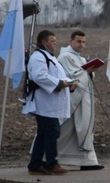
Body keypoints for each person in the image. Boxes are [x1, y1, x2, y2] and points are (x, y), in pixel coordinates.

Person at [23, 30, 76, 175]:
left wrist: (70, 83)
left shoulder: (49, 57)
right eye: (52, 41)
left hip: (51, 103)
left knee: (43, 134)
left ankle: (35, 165)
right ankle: (51, 163)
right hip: (44, 103)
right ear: (44, 42)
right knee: (53, 132)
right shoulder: (38, 57)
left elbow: (59, 76)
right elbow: (39, 76)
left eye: (55, 40)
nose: (55, 43)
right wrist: (60, 84)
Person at [57, 30, 104, 171]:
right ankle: (46, 157)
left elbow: (85, 75)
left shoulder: (80, 58)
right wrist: (87, 71)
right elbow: (72, 76)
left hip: (83, 100)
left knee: (84, 128)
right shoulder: (65, 57)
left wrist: (90, 70)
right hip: (73, 100)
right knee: (64, 131)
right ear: (71, 41)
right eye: (78, 41)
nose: (81, 45)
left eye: (83, 42)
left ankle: (87, 162)